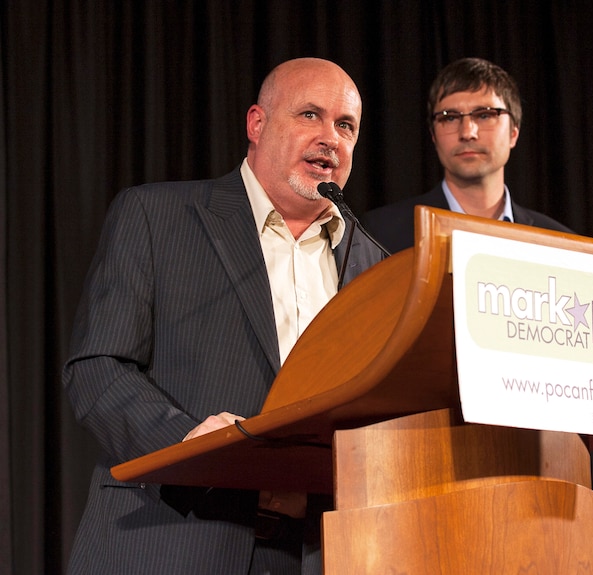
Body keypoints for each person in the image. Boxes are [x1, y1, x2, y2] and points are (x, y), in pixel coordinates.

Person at [63, 58, 385, 575]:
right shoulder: (156, 216)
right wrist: (190, 444)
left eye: (345, 126)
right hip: (174, 538)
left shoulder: (375, 267)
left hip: (320, 551)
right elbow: (98, 368)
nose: (330, 138)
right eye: (309, 115)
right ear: (257, 124)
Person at [362, 56, 593, 573]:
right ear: (434, 134)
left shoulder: (563, 246)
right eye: (449, 116)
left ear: (515, 131)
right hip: (414, 491)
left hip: (539, 499)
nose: (468, 129)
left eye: (485, 112)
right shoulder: (379, 236)